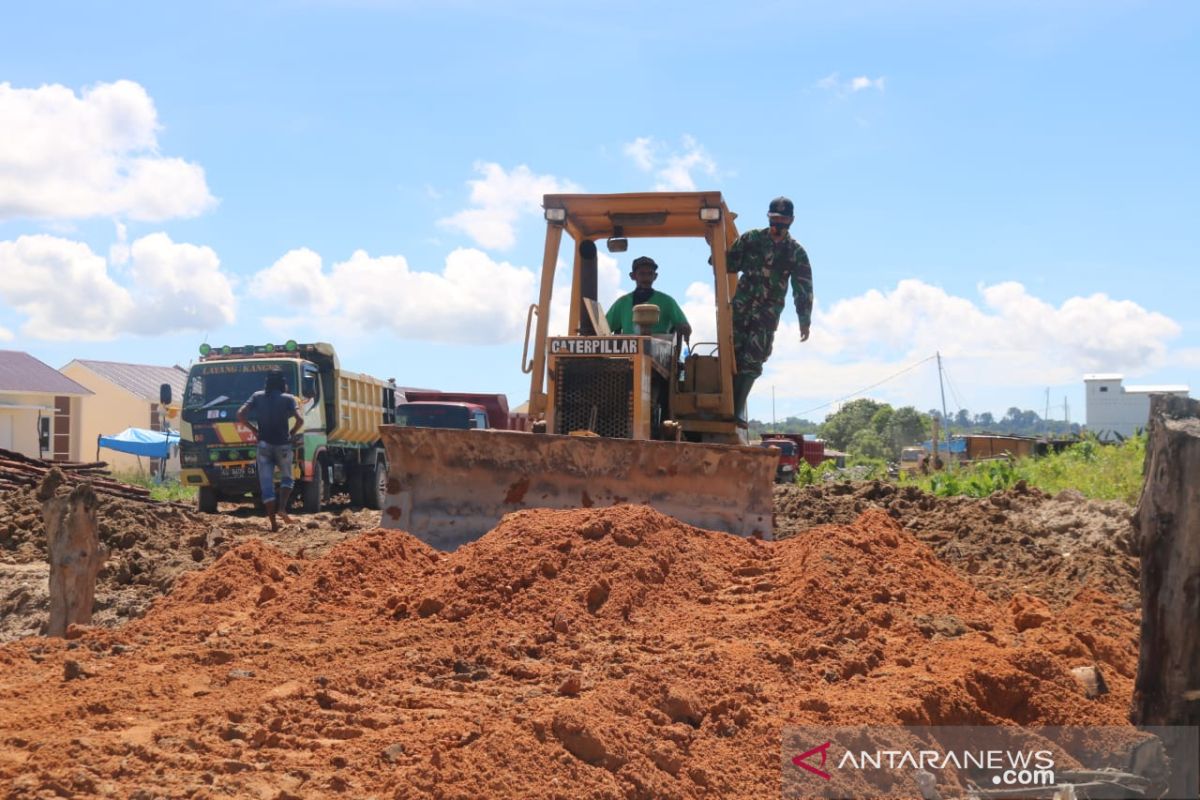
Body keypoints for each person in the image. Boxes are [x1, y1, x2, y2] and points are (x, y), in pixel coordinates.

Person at [726, 196, 813, 424]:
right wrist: (717, 234)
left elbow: (803, 288)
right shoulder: (751, 239)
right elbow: (727, 263)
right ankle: (724, 404)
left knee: (754, 359)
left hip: (766, 315)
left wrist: (804, 320)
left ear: (791, 221)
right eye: (774, 220)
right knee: (731, 354)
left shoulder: (796, 252)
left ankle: (736, 408)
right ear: (768, 217)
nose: (778, 226)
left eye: (783, 221)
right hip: (741, 309)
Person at [237, 369, 304, 531]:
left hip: (264, 445)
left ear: (267, 383)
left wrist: (253, 430)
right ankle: (282, 508)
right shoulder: (288, 398)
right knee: (287, 478)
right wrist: (292, 433)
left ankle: (273, 524)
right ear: (282, 383)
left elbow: (240, 414)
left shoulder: (257, 396)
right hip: (283, 445)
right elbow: (300, 420)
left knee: (266, 486)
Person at [605, 255, 692, 340]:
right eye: (642, 274)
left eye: (650, 274)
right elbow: (602, 329)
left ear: (655, 276)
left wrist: (684, 328)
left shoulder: (667, 302)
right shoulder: (622, 303)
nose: (646, 278)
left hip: (659, 353)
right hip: (628, 353)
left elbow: (685, 326)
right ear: (633, 276)